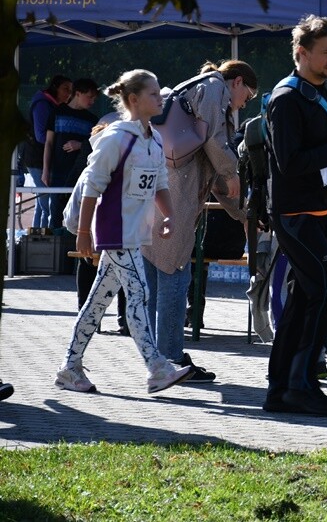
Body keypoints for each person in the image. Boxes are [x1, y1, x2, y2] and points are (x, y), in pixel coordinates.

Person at [55, 69, 192, 395]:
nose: (161, 99)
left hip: (136, 233)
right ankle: (157, 367)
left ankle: (69, 368)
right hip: (115, 232)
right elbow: (92, 186)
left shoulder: (155, 139)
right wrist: (84, 232)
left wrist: (170, 216)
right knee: (140, 295)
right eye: (154, 94)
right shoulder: (117, 138)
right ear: (133, 100)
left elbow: (159, 183)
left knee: (97, 303)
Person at [263, 15, 327, 416]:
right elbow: (289, 161)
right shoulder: (286, 98)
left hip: (318, 210)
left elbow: (324, 145)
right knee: (326, 290)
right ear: (301, 54)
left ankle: (283, 387)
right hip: (293, 213)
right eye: (326, 53)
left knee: (308, 295)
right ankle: (298, 383)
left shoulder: (320, 91)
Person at [142, 60, 257, 385]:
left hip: (164, 190)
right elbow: (216, 144)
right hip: (174, 194)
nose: (242, 105)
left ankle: (156, 355)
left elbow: (215, 171)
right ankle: (171, 358)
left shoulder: (204, 92)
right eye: (245, 97)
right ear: (236, 82)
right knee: (176, 275)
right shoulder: (214, 88)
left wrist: (242, 213)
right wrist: (231, 169)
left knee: (155, 275)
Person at [42, 78, 99, 230]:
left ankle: (77, 252)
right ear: (78, 94)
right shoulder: (57, 112)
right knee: (55, 216)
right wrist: (46, 171)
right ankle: (55, 250)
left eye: (94, 98)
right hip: (58, 173)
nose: (92, 101)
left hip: (80, 176)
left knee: (78, 218)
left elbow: (98, 147)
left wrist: (80, 145)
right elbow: (48, 143)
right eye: (89, 96)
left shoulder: (92, 120)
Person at [24, 74, 73, 229]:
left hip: (43, 160)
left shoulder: (53, 105)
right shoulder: (42, 104)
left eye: (71, 90)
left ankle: (35, 238)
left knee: (42, 203)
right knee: (46, 205)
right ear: (55, 88)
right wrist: (61, 144)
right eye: (65, 89)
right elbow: (41, 136)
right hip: (37, 160)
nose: (68, 94)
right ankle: (43, 242)